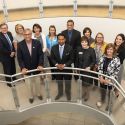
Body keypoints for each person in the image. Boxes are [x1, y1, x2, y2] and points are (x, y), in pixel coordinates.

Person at [17, 28, 44, 103]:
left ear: (31, 34)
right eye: (25, 34)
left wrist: (40, 64)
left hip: (37, 68)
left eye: (29, 34)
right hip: (26, 69)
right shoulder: (20, 44)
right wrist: (22, 67)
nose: (27, 36)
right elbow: (19, 58)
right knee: (29, 84)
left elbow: (40, 55)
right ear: (23, 35)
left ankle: (38, 94)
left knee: (38, 82)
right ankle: (31, 96)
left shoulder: (37, 42)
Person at [96, 43, 121, 108]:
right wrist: (100, 77)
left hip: (110, 80)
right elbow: (100, 67)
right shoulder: (102, 57)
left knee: (110, 93)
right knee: (102, 91)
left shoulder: (117, 59)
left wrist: (109, 79)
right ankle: (102, 100)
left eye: (111, 49)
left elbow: (117, 71)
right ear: (106, 50)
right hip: (102, 78)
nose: (109, 51)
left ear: (113, 50)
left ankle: (109, 104)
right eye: (108, 49)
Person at [50, 33, 73, 101]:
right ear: (57, 40)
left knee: (67, 82)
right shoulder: (53, 48)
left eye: (62, 39)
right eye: (59, 39)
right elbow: (52, 58)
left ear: (65, 39)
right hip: (57, 69)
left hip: (67, 69)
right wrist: (57, 65)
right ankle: (60, 93)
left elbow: (71, 59)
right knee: (59, 82)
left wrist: (64, 65)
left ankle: (68, 93)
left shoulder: (70, 48)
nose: (61, 41)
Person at [75, 36, 96, 101]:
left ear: (88, 42)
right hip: (80, 70)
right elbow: (76, 59)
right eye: (82, 42)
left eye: (85, 42)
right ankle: (84, 93)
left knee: (87, 84)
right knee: (82, 83)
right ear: (80, 43)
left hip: (88, 71)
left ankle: (87, 95)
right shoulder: (78, 49)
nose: (84, 43)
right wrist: (76, 69)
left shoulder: (91, 50)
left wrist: (89, 67)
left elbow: (94, 61)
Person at [0, 23, 16, 87]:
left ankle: (14, 79)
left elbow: (12, 43)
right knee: (7, 70)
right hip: (5, 56)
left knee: (13, 68)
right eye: (3, 28)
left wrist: (13, 51)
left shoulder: (9, 33)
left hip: (12, 55)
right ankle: (9, 83)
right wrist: (10, 53)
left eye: (6, 28)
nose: (5, 29)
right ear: (0, 29)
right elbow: (1, 48)